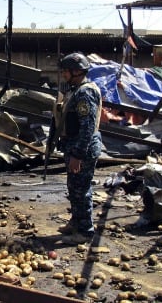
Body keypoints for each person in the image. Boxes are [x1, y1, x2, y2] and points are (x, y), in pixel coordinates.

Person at [54, 52, 103, 244]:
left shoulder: (85, 92)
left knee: (81, 190)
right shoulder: (75, 90)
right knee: (74, 188)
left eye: (65, 71)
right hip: (74, 146)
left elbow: (88, 127)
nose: (63, 75)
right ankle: (76, 222)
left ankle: (85, 231)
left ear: (76, 71)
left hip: (83, 148)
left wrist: (78, 154)